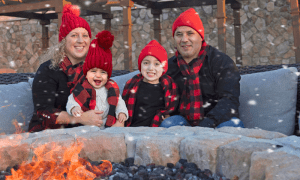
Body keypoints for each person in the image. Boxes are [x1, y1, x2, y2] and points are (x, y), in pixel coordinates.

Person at [28, 4, 104, 132]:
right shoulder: (48, 70)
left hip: (85, 135)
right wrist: (80, 118)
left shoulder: (93, 71)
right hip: (48, 135)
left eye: (85, 35)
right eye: (74, 35)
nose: (81, 41)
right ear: (64, 41)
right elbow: (43, 113)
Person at [165, 8, 244, 128]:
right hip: (185, 123)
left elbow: (229, 100)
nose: (184, 39)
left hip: (219, 121)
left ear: (201, 37)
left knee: (233, 126)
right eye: (179, 34)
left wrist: (205, 126)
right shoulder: (168, 67)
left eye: (190, 33)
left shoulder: (221, 62)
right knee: (169, 123)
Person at [66, 30, 128, 128]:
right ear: (86, 74)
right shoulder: (82, 88)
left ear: (108, 76)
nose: (98, 76)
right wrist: (74, 108)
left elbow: (119, 102)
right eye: (93, 71)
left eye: (103, 72)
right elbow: (71, 100)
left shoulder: (111, 88)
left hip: (108, 124)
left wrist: (122, 113)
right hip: (89, 126)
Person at [122, 40, 179, 127]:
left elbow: (171, 107)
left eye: (156, 64)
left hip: (155, 131)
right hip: (134, 129)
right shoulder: (132, 84)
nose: (151, 68)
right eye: (146, 63)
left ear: (163, 68)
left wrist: (167, 115)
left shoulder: (168, 85)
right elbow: (123, 105)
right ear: (140, 65)